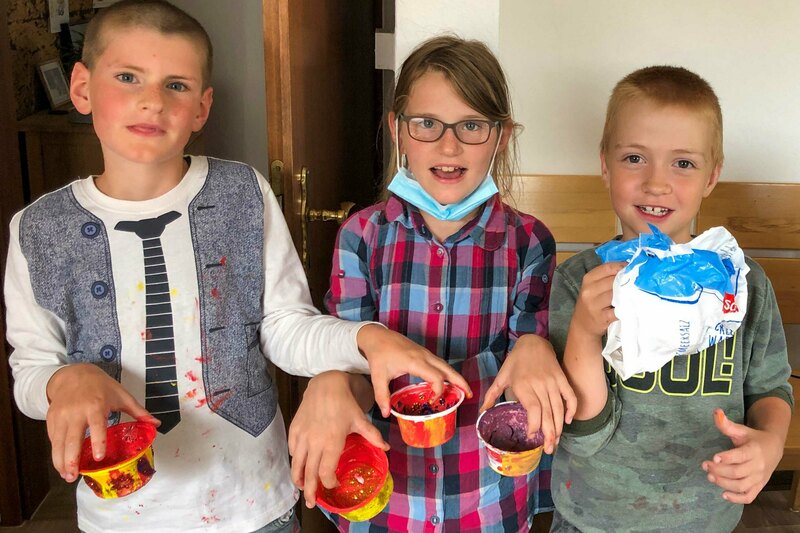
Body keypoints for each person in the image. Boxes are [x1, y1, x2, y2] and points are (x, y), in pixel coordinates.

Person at [3, 2, 470, 532]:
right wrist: (63, 381)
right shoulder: (37, 228)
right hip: (120, 515)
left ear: (202, 108)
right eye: (128, 77)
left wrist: (367, 339)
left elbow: (285, 328)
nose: (152, 100)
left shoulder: (242, 193)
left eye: (176, 85)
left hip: (254, 502)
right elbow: (31, 369)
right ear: (82, 88)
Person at [288, 36, 577, 532]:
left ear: (502, 136)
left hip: (487, 501)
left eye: (472, 125)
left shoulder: (529, 241)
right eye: (426, 124)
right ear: (397, 130)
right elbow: (353, 364)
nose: (448, 146)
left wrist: (535, 347)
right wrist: (329, 382)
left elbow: (527, 382)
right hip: (390, 503)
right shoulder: (361, 235)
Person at [549, 65, 793, 532]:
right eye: (634, 158)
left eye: (683, 163)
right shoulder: (578, 282)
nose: (656, 183)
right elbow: (581, 434)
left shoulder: (745, 284)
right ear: (605, 165)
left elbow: (770, 388)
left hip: (708, 517)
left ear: (711, 176)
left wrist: (770, 442)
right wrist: (583, 330)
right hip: (592, 518)